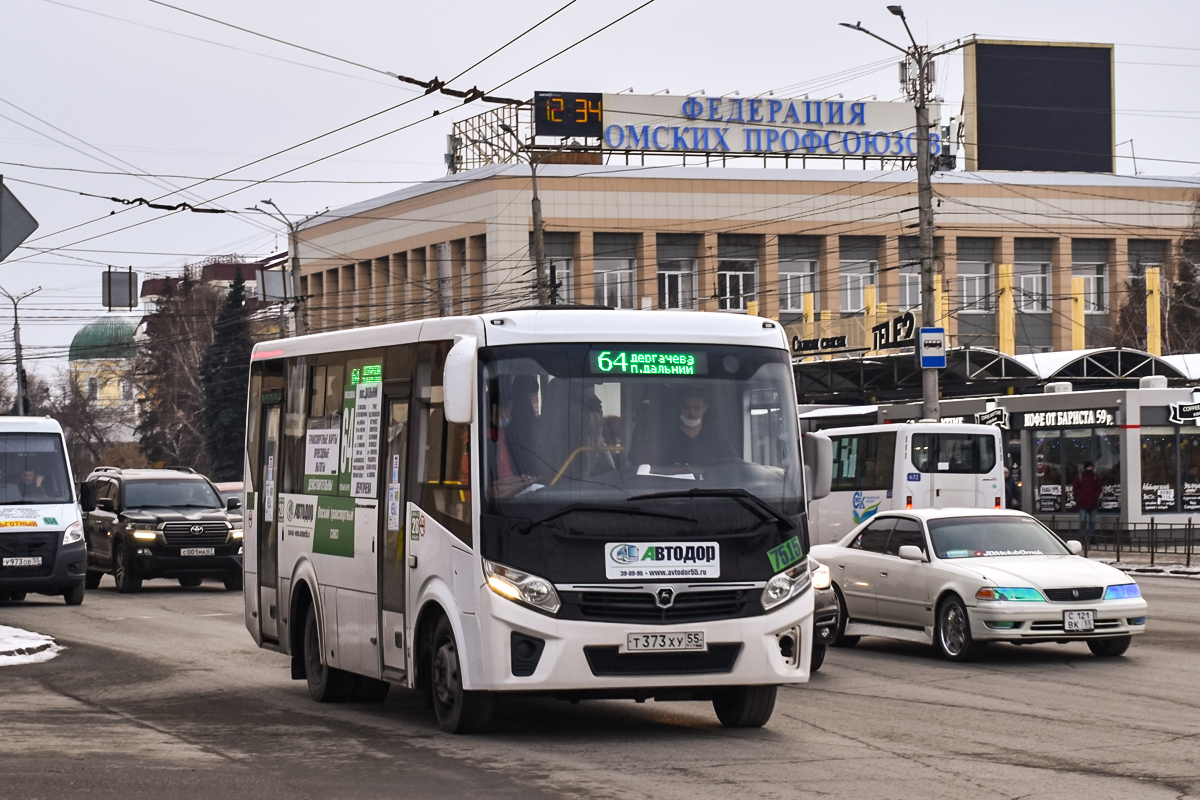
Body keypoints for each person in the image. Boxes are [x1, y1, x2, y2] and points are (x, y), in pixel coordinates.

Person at [660, 390, 737, 466]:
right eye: (687, 407)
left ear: (705, 408)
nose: (691, 412)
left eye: (696, 408)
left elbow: (733, 465)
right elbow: (657, 468)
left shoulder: (717, 437)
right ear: (681, 406)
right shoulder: (668, 436)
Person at [1073, 460, 1102, 544]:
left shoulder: (1095, 477)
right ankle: (1082, 537)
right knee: (1083, 521)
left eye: (1091, 467)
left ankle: (1092, 537)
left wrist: (1094, 497)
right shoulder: (1080, 476)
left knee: (1092, 521)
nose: (1090, 468)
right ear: (1085, 467)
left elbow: (1099, 488)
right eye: (1088, 467)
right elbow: (1076, 488)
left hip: (1092, 503)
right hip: (1083, 503)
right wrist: (1081, 496)